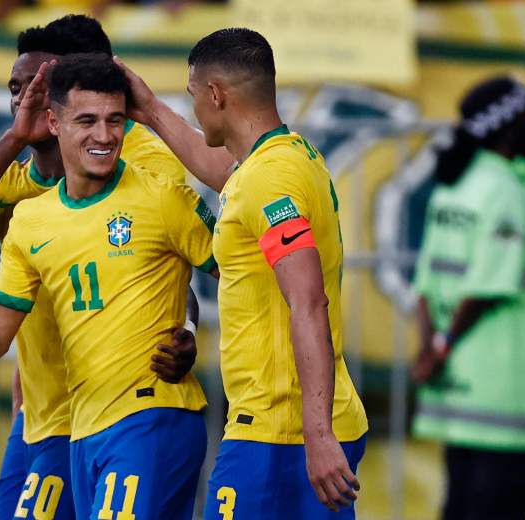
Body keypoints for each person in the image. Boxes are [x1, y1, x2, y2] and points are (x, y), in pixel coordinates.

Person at [0, 54, 218, 519]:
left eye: (113, 121)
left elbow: (236, 267)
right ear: (54, 122)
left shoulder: (163, 196)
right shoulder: (29, 219)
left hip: (154, 416)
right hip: (83, 431)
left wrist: (187, 323)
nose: (104, 136)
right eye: (86, 121)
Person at [118, 28, 368, 518]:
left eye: (193, 96)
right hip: (309, 422)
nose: (193, 108)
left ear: (215, 95)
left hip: (280, 434)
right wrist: (148, 110)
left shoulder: (268, 181)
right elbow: (225, 173)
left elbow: (308, 301)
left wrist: (317, 436)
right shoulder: (289, 157)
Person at [411, 77, 525, 520]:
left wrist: (430, 347)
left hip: (457, 385)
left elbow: (426, 282)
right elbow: (489, 285)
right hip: (504, 385)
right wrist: (443, 344)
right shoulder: (507, 190)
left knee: (461, 505)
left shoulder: (455, 184)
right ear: (508, 128)